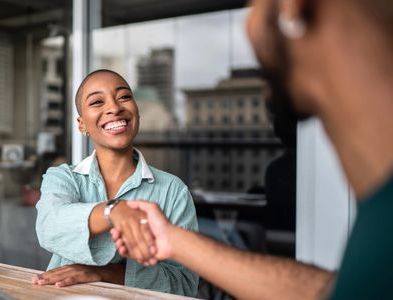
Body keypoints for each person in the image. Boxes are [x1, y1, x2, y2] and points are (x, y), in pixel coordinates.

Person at [111, 0, 393, 299]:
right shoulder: (379, 231)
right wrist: (173, 241)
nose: (248, 26)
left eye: (254, 3)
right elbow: (329, 292)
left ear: (291, 7)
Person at [33, 69, 199, 296]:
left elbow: (183, 286)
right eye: (97, 101)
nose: (114, 107)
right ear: (82, 125)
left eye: (124, 97)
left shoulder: (173, 191)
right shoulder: (63, 177)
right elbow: (49, 227)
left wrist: (107, 273)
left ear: (136, 112)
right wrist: (114, 212)